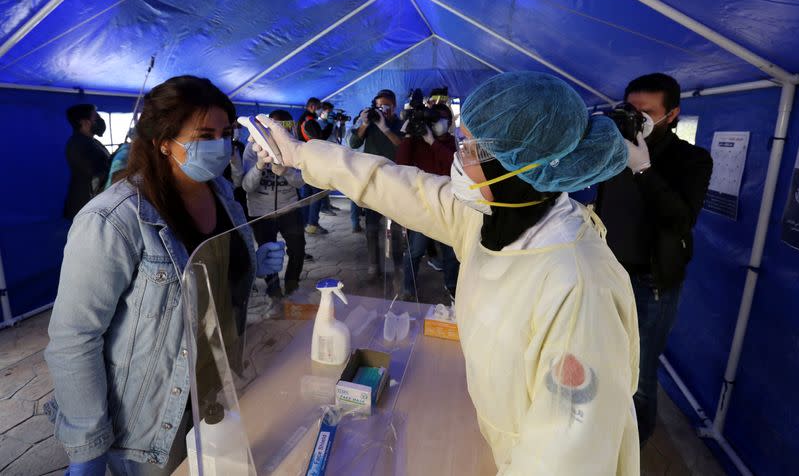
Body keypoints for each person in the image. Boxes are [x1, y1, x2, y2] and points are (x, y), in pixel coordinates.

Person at [253, 72, 641, 473]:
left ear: (519, 165)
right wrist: (301, 155)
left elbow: (567, 455)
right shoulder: (492, 216)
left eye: (469, 148)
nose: (457, 158)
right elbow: (399, 185)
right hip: (496, 440)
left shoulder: (578, 285)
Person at [45, 76, 286, 476]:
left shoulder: (221, 193)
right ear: (162, 139)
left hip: (219, 386)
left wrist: (250, 263)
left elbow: (205, 270)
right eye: (205, 134)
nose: (220, 145)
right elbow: (74, 337)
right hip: (153, 416)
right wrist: (86, 446)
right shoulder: (114, 218)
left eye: (226, 134)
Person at [595, 73, 713, 446]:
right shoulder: (616, 149)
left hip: (651, 285)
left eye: (645, 112)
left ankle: (632, 451)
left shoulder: (691, 160)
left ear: (672, 114)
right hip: (607, 273)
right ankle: (602, 434)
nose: (636, 118)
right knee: (600, 357)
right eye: (630, 110)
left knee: (640, 377)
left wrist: (644, 169)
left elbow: (679, 220)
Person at [396, 103, 459, 300]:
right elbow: (401, 164)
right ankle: (408, 288)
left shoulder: (449, 142)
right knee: (415, 250)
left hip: (446, 204)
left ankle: (452, 286)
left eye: (443, 119)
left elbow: (452, 165)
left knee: (450, 252)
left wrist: (433, 142)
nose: (440, 123)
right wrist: (408, 136)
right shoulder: (418, 141)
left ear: (449, 122)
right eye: (436, 119)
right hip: (422, 205)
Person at [242, 110, 307, 297]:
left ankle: (292, 286)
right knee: (268, 254)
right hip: (261, 212)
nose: (281, 132)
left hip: (289, 208)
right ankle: (273, 291)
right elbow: (247, 186)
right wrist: (259, 165)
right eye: (276, 127)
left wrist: (286, 171)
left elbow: (301, 181)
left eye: (286, 127)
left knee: (298, 250)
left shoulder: (295, 146)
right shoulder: (253, 148)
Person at [348, 88, 404, 277]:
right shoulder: (370, 124)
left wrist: (385, 129)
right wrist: (364, 123)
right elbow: (353, 143)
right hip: (373, 182)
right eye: (378, 106)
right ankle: (374, 265)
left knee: (396, 227)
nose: (382, 110)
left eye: (386, 106)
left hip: (396, 182)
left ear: (394, 106)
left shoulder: (400, 124)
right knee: (371, 227)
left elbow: (402, 147)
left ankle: (398, 264)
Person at [63, 104, 111, 219]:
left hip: (91, 203)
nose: (100, 120)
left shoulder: (92, 142)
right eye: (96, 117)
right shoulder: (77, 145)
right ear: (85, 122)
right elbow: (97, 171)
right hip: (84, 206)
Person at [297, 115, 330, 234]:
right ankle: (312, 224)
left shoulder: (300, 141)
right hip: (315, 173)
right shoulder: (319, 143)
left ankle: (305, 223)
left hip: (303, 172)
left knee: (306, 197)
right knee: (316, 198)